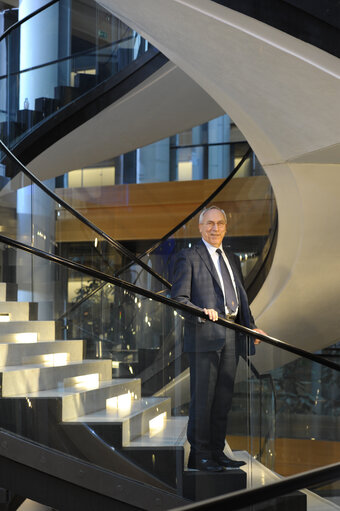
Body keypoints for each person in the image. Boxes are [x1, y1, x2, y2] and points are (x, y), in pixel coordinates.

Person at [171, 206, 265, 472]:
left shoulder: (232, 258)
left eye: (220, 223)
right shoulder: (188, 257)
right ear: (200, 228)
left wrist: (252, 327)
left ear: (226, 227)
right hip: (204, 338)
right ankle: (199, 455)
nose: (214, 228)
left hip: (233, 336)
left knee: (223, 400)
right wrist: (200, 312)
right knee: (203, 401)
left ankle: (216, 452)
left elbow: (240, 300)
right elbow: (178, 299)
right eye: (209, 223)